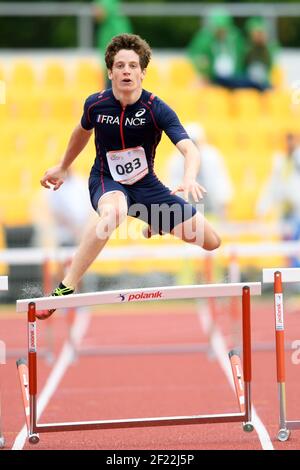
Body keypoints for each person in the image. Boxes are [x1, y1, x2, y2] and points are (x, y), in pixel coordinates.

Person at [39, 33, 221, 319]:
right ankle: (65, 288)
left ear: (143, 73)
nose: (126, 71)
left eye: (133, 66)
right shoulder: (96, 104)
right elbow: (81, 132)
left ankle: (155, 220)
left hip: (146, 186)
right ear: (110, 72)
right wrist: (63, 165)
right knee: (114, 213)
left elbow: (190, 149)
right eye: (120, 65)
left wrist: (189, 177)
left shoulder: (156, 108)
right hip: (106, 180)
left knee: (211, 240)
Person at [167, 122, 233, 220]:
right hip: (188, 205)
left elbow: (220, 180)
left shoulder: (212, 156)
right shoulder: (175, 160)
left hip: (211, 203)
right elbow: (174, 183)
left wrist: (223, 203)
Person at [256, 133, 300, 266]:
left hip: (297, 212)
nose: (289, 144)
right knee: (288, 248)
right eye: (287, 141)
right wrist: (262, 207)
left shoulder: (297, 160)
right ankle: (293, 278)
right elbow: (272, 186)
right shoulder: (281, 162)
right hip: (286, 213)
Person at [188, 8, 245, 89]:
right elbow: (198, 59)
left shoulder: (235, 38)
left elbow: (241, 59)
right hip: (213, 79)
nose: (221, 32)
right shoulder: (204, 40)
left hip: (233, 79)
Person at [93, 0, 132, 86]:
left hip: (114, 45)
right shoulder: (116, 4)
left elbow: (99, 14)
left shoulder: (106, 2)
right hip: (122, 44)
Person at [242, 17, 277, 92]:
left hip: (265, 84)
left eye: (261, 33)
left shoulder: (270, 49)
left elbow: (273, 70)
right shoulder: (246, 49)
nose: (259, 36)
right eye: (257, 33)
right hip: (249, 84)